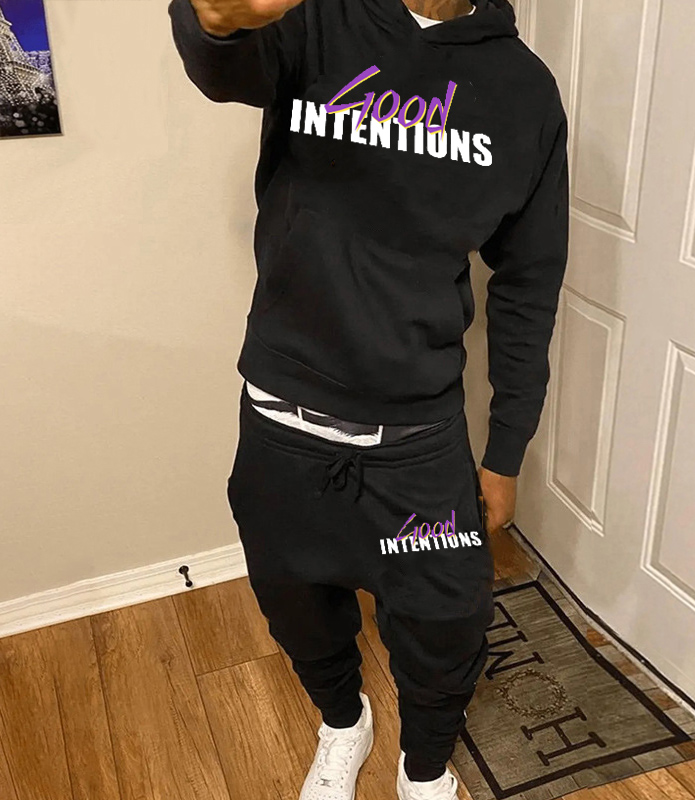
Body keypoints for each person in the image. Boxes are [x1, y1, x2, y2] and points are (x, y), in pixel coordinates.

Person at [168, 0, 569, 795]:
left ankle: (424, 771)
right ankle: (343, 723)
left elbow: (529, 282)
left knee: (447, 623)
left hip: (417, 443)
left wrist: (506, 449)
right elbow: (224, 65)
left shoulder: (523, 90)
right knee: (295, 604)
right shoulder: (317, 21)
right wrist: (213, 20)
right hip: (284, 424)